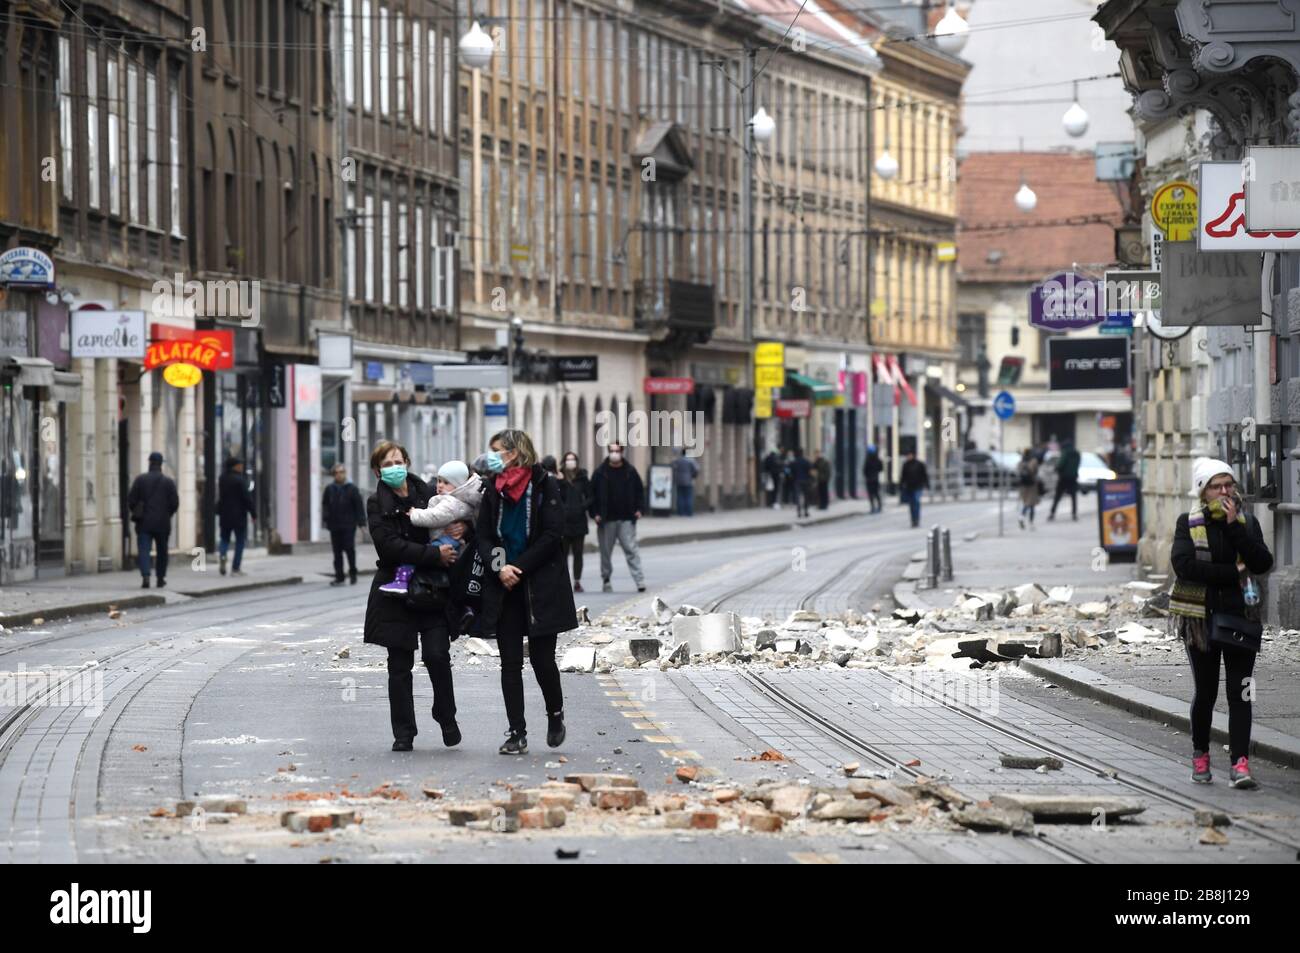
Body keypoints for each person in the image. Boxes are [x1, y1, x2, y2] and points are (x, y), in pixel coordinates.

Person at [1170, 458, 1273, 789]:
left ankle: (1240, 764)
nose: (1226, 491)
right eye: (1217, 486)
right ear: (1203, 491)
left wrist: (1234, 529)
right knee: (1207, 691)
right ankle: (1200, 755)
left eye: (1229, 485)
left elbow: (1262, 562)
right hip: (1200, 620)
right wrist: (1231, 573)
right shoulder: (1188, 523)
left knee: (1241, 692)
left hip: (1241, 617)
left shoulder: (1247, 523)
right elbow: (1184, 566)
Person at [476, 429, 578, 755]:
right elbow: (485, 535)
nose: (492, 457)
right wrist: (500, 567)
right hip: (504, 585)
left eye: (498, 451)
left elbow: (553, 535)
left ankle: (555, 714)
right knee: (509, 662)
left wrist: (518, 567)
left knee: (541, 659)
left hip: (540, 586)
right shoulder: (493, 488)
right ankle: (516, 732)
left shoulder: (544, 484)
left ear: (516, 452)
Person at [362, 441, 460, 752]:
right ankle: (404, 733)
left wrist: (460, 530)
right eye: (387, 464)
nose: (394, 467)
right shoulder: (375, 503)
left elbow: (459, 510)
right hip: (396, 589)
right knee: (399, 664)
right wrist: (433, 554)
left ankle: (446, 715)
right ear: (378, 471)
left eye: (398, 461)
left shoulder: (430, 494)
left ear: (407, 461)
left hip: (432, 588)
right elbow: (387, 546)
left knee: (437, 655)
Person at [381, 461, 481, 595]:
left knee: (415, 560)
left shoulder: (451, 502)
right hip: (449, 540)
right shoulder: (454, 500)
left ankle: (401, 581)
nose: (440, 485)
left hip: (445, 541)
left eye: (446, 483)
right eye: (439, 481)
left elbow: (435, 516)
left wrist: (415, 514)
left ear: (458, 486)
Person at [589, 442, 646, 593]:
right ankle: (606, 579)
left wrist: (639, 509)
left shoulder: (630, 471)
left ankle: (639, 580)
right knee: (606, 552)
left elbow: (640, 491)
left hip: (627, 518)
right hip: (606, 519)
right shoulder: (600, 472)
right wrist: (594, 513)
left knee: (631, 549)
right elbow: (591, 495)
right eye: (612, 451)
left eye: (617, 450)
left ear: (622, 452)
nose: (614, 453)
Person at [128, 451, 179, 589]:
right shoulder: (168, 482)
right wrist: (167, 514)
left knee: (144, 550)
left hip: (144, 522)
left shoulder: (140, 480)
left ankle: (145, 576)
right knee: (162, 551)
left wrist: (138, 511)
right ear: (161, 464)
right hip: (162, 523)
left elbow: (131, 500)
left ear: (150, 463)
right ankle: (160, 578)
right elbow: (175, 503)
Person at [322, 462, 365, 585]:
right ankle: (339, 576)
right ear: (333, 475)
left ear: (345, 474)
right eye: (336, 473)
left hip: (348, 525)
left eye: (341, 472)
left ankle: (353, 573)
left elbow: (359, 506)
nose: (339, 475)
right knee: (337, 552)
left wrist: (361, 523)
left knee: (349, 549)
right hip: (334, 525)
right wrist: (326, 519)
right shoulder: (329, 489)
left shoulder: (352, 488)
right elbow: (325, 505)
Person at [557, 452, 592, 592]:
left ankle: (577, 580)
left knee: (578, 553)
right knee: (563, 554)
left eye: (573, 459)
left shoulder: (582, 477)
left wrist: (582, 506)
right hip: (564, 522)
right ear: (564, 462)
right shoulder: (560, 477)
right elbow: (557, 495)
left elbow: (590, 496)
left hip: (579, 521)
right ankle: (563, 581)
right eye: (568, 459)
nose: (570, 462)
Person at [215, 456, 255, 576]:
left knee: (224, 539)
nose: (242, 467)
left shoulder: (222, 478)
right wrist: (253, 513)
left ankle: (222, 557)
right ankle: (235, 568)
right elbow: (247, 499)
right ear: (235, 466)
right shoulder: (240, 480)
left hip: (225, 515)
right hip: (239, 516)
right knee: (240, 542)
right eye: (240, 465)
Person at [1047, 440, 1080, 521]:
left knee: (1057, 496)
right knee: (1073, 497)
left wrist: (1056, 469)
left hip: (1064, 478)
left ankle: (1052, 513)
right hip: (1073, 477)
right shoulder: (1077, 453)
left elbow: (1061, 464)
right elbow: (1077, 464)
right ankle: (1074, 514)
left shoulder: (1065, 453)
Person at [898, 450, 929, 528]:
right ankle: (913, 520)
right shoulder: (906, 465)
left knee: (916, 502)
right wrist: (901, 486)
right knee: (911, 504)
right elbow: (903, 476)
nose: (908, 457)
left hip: (918, 486)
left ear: (913, 455)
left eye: (909, 455)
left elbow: (924, 475)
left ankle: (916, 519)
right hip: (909, 487)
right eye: (907, 455)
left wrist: (926, 484)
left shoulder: (919, 464)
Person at [1016, 448, 1041, 530]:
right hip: (1031, 485)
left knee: (1026, 503)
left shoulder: (1021, 462)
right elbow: (1036, 471)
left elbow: (1018, 471)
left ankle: (1022, 517)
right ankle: (1030, 522)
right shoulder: (1034, 461)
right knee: (1031, 504)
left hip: (1022, 486)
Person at [671, 448, 700, 517]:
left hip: (679, 480)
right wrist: (693, 476)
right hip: (688, 480)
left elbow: (673, 467)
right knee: (688, 497)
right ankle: (689, 512)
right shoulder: (691, 460)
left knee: (680, 496)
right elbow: (697, 469)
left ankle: (680, 512)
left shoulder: (678, 460)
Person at [791, 447, 814, 518]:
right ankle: (806, 511)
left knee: (798, 496)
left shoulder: (794, 462)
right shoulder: (806, 461)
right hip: (806, 481)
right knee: (806, 496)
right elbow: (810, 471)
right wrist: (811, 479)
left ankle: (799, 512)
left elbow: (791, 472)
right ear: (803, 453)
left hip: (797, 481)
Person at [863, 445, 884, 514]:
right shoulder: (877, 460)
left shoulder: (867, 460)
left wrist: (867, 476)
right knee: (876, 493)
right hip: (875, 479)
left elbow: (865, 470)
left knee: (871, 494)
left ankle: (872, 507)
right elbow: (881, 469)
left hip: (869, 479)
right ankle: (879, 506)